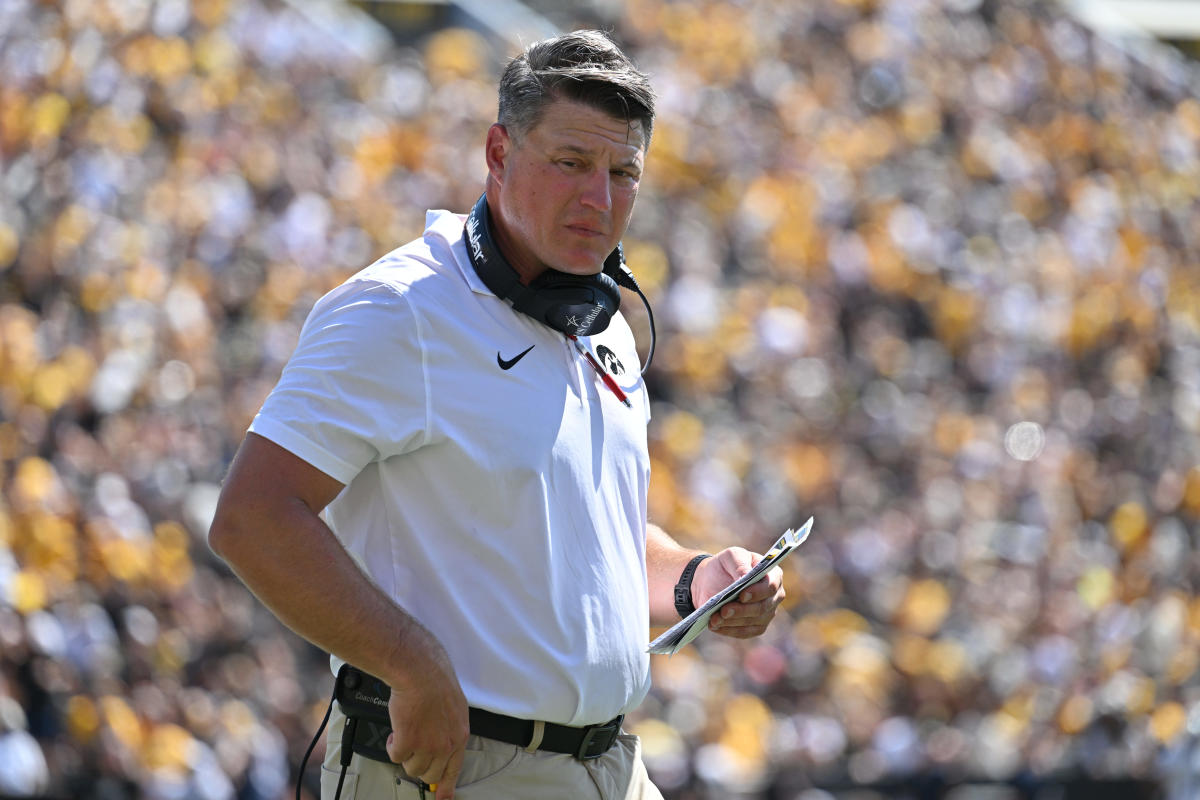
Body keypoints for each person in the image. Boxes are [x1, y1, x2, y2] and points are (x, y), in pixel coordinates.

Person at [207, 29, 785, 800]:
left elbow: (583, 536)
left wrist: (697, 579)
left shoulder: (602, 320)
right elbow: (252, 518)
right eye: (571, 163)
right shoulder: (400, 309)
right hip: (449, 768)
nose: (600, 199)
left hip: (613, 766)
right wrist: (411, 663)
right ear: (498, 153)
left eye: (623, 173)